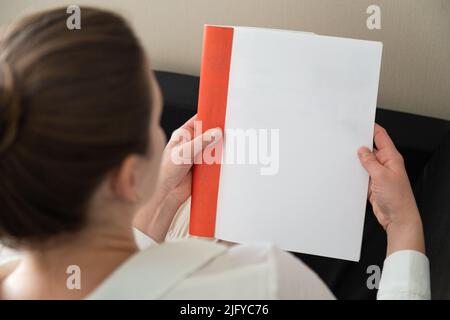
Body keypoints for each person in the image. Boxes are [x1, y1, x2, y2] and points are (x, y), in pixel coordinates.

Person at [0, 7, 430, 299]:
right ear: (129, 176)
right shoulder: (262, 282)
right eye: (154, 123)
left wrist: (162, 204)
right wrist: (403, 226)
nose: (163, 134)